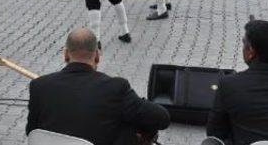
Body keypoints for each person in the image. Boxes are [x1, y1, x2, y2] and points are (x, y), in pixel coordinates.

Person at [26, 28, 170, 145]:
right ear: (97, 56)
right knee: (130, 126)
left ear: (65, 55)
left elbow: (31, 131)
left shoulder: (39, 85)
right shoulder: (115, 88)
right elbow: (162, 118)